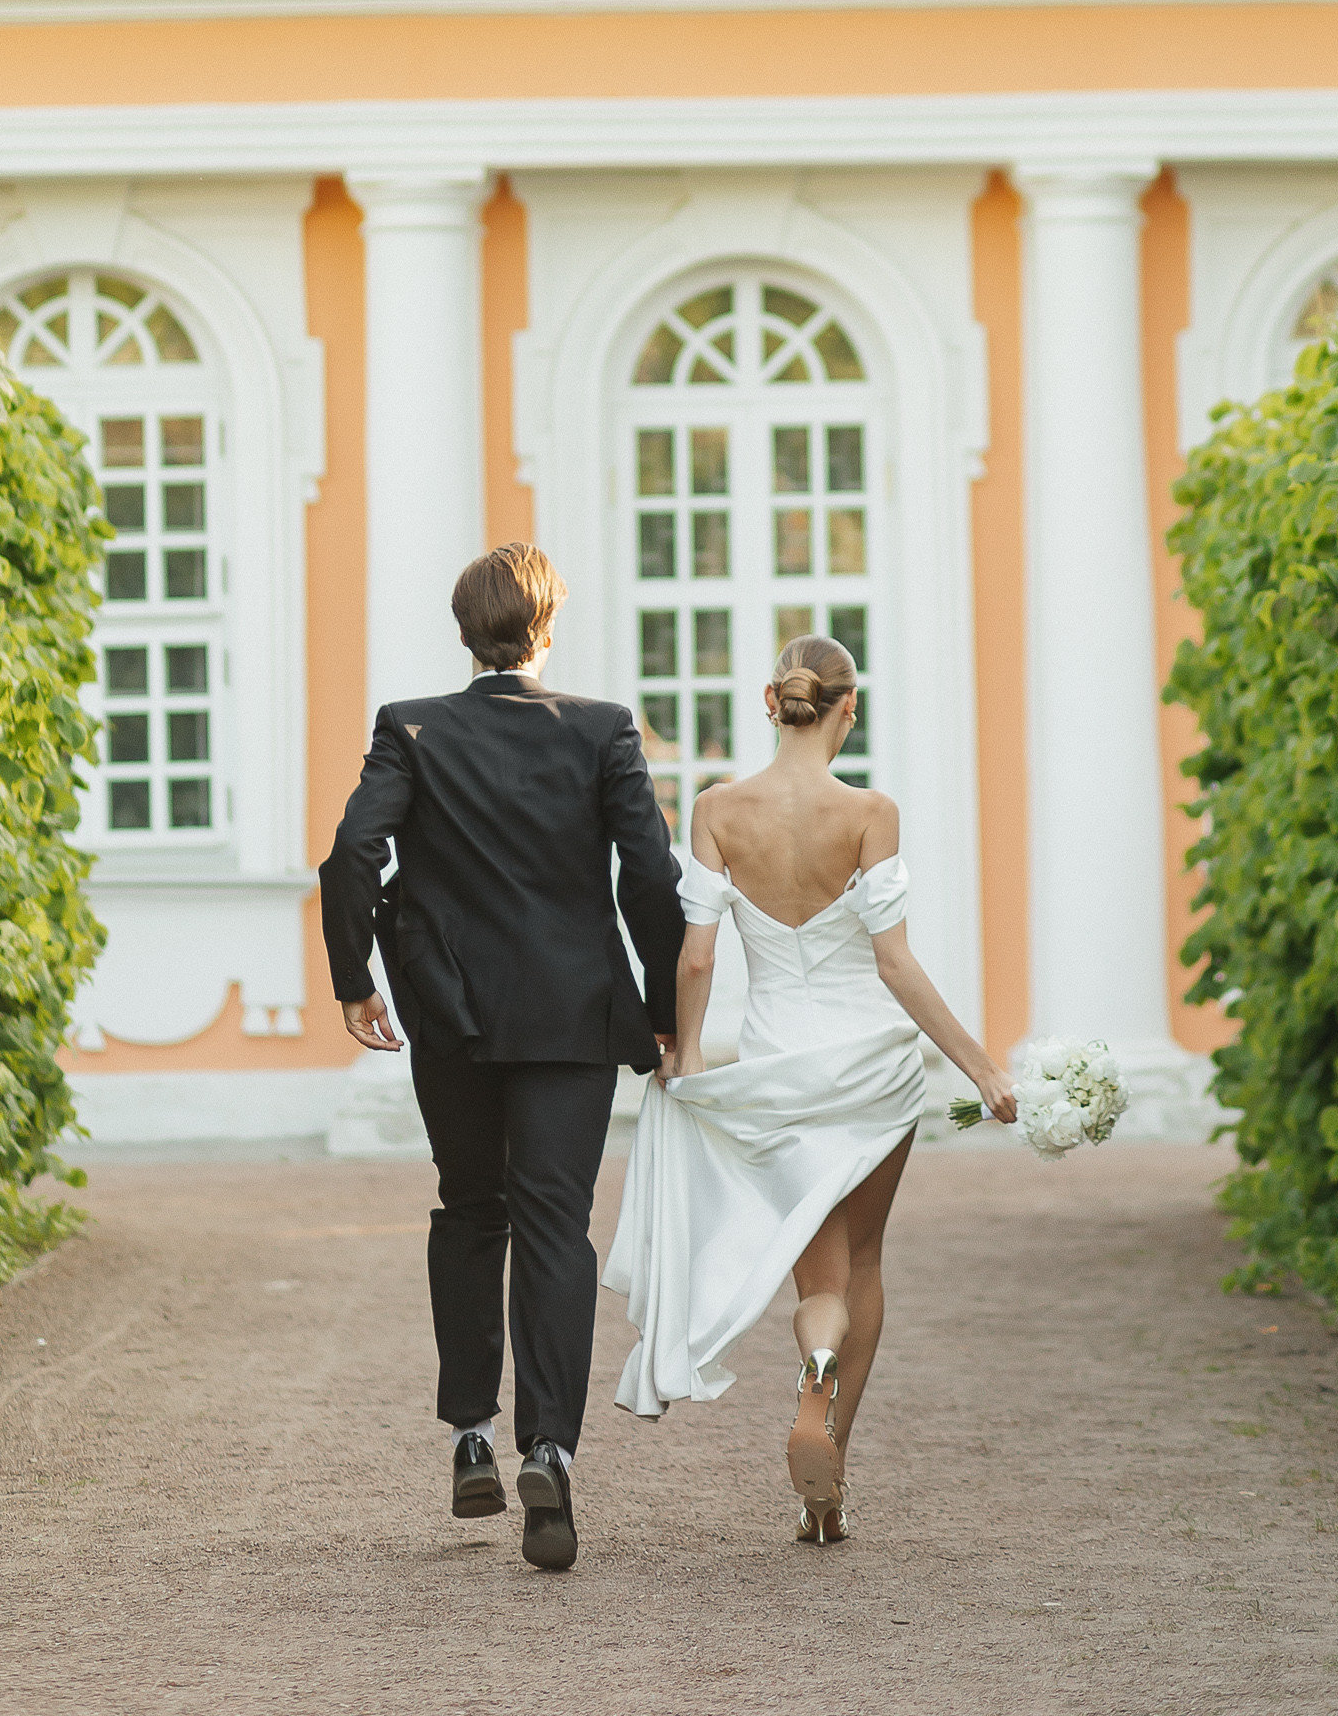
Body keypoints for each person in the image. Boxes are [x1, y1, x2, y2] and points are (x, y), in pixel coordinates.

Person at [318, 542, 684, 1575]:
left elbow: (350, 855)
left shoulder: (411, 726)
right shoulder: (604, 729)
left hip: (453, 1015)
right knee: (556, 1224)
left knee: (471, 1207)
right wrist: (663, 1011)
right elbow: (649, 878)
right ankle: (551, 1451)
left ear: (462, 633)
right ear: (548, 626)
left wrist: (355, 980)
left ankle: (472, 1434)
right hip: (573, 1014)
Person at [603, 631, 1017, 1542]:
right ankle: (827, 1451)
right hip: (870, 1068)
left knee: (819, 1271)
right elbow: (895, 964)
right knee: (865, 1261)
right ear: (848, 708)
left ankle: (815, 1365)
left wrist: (689, 1056)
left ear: (771, 701)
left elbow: (698, 955)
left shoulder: (717, 809)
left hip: (779, 1071)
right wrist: (981, 1067)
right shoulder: (871, 812)